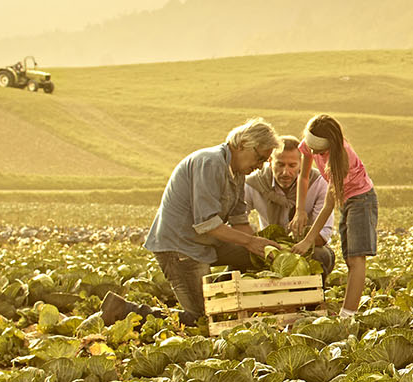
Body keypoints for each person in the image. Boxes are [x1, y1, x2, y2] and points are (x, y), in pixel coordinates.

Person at [119, 118, 280, 327]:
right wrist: (250, 242)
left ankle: (221, 291)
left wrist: (263, 247)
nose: (259, 167)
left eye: (264, 162)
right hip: (180, 248)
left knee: (255, 256)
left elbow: (240, 220)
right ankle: (124, 310)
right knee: (200, 319)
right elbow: (207, 224)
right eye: (259, 159)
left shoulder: (238, 172)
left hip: (205, 242)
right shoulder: (210, 162)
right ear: (242, 146)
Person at [296, 114, 375, 316]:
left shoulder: (342, 157)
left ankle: (348, 315)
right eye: (312, 149)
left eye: (319, 152)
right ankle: (347, 313)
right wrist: (299, 210)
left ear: (330, 147)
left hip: (361, 200)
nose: (313, 153)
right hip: (346, 201)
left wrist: (307, 240)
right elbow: (303, 177)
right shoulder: (311, 142)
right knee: (350, 259)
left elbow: (328, 205)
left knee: (356, 259)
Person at [248, 136, 337, 276]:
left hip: (307, 248)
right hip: (269, 249)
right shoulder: (254, 183)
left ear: (301, 163)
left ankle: (313, 295)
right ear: (270, 162)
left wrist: (295, 246)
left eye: (292, 165)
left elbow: (323, 235)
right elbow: (237, 218)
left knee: (321, 256)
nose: (285, 172)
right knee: (241, 257)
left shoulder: (318, 183)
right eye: (280, 164)